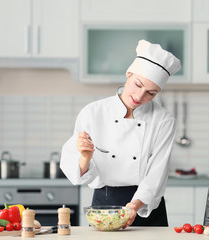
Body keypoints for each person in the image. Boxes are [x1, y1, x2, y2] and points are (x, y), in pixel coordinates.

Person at [60, 39, 181, 227]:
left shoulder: (162, 119)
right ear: (128, 73)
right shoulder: (94, 112)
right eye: (138, 85)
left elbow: (157, 172)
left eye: (151, 93)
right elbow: (76, 172)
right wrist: (85, 156)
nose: (140, 96)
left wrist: (134, 206)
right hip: (105, 204)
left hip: (145, 206)